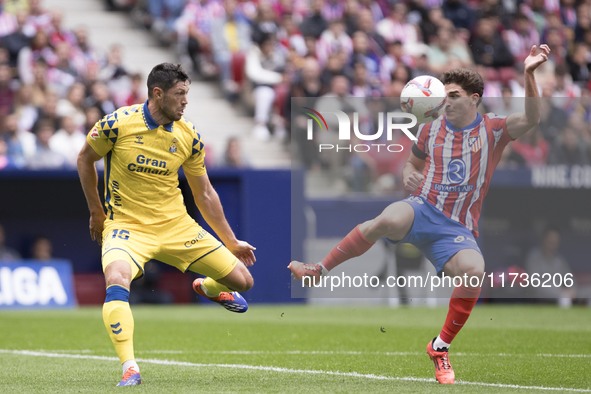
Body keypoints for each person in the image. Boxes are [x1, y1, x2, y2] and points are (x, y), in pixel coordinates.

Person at [289, 44, 551, 385]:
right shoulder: (430, 129)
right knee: (387, 219)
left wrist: (529, 74)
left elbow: (532, 118)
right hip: (423, 208)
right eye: (445, 95)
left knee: (474, 271)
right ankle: (318, 270)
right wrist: (406, 175)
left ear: (474, 98)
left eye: (455, 95)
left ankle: (440, 347)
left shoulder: (493, 129)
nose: (447, 101)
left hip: (456, 227)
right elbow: (413, 163)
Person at [77, 63, 255, 387]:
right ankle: (129, 367)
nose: (185, 102)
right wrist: (96, 212)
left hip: (176, 227)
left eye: (187, 94)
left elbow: (204, 193)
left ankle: (209, 288)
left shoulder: (189, 136)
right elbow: (84, 159)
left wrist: (231, 241)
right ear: (158, 94)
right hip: (127, 227)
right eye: (180, 94)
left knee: (243, 281)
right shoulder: (117, 124)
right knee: (116, 279)